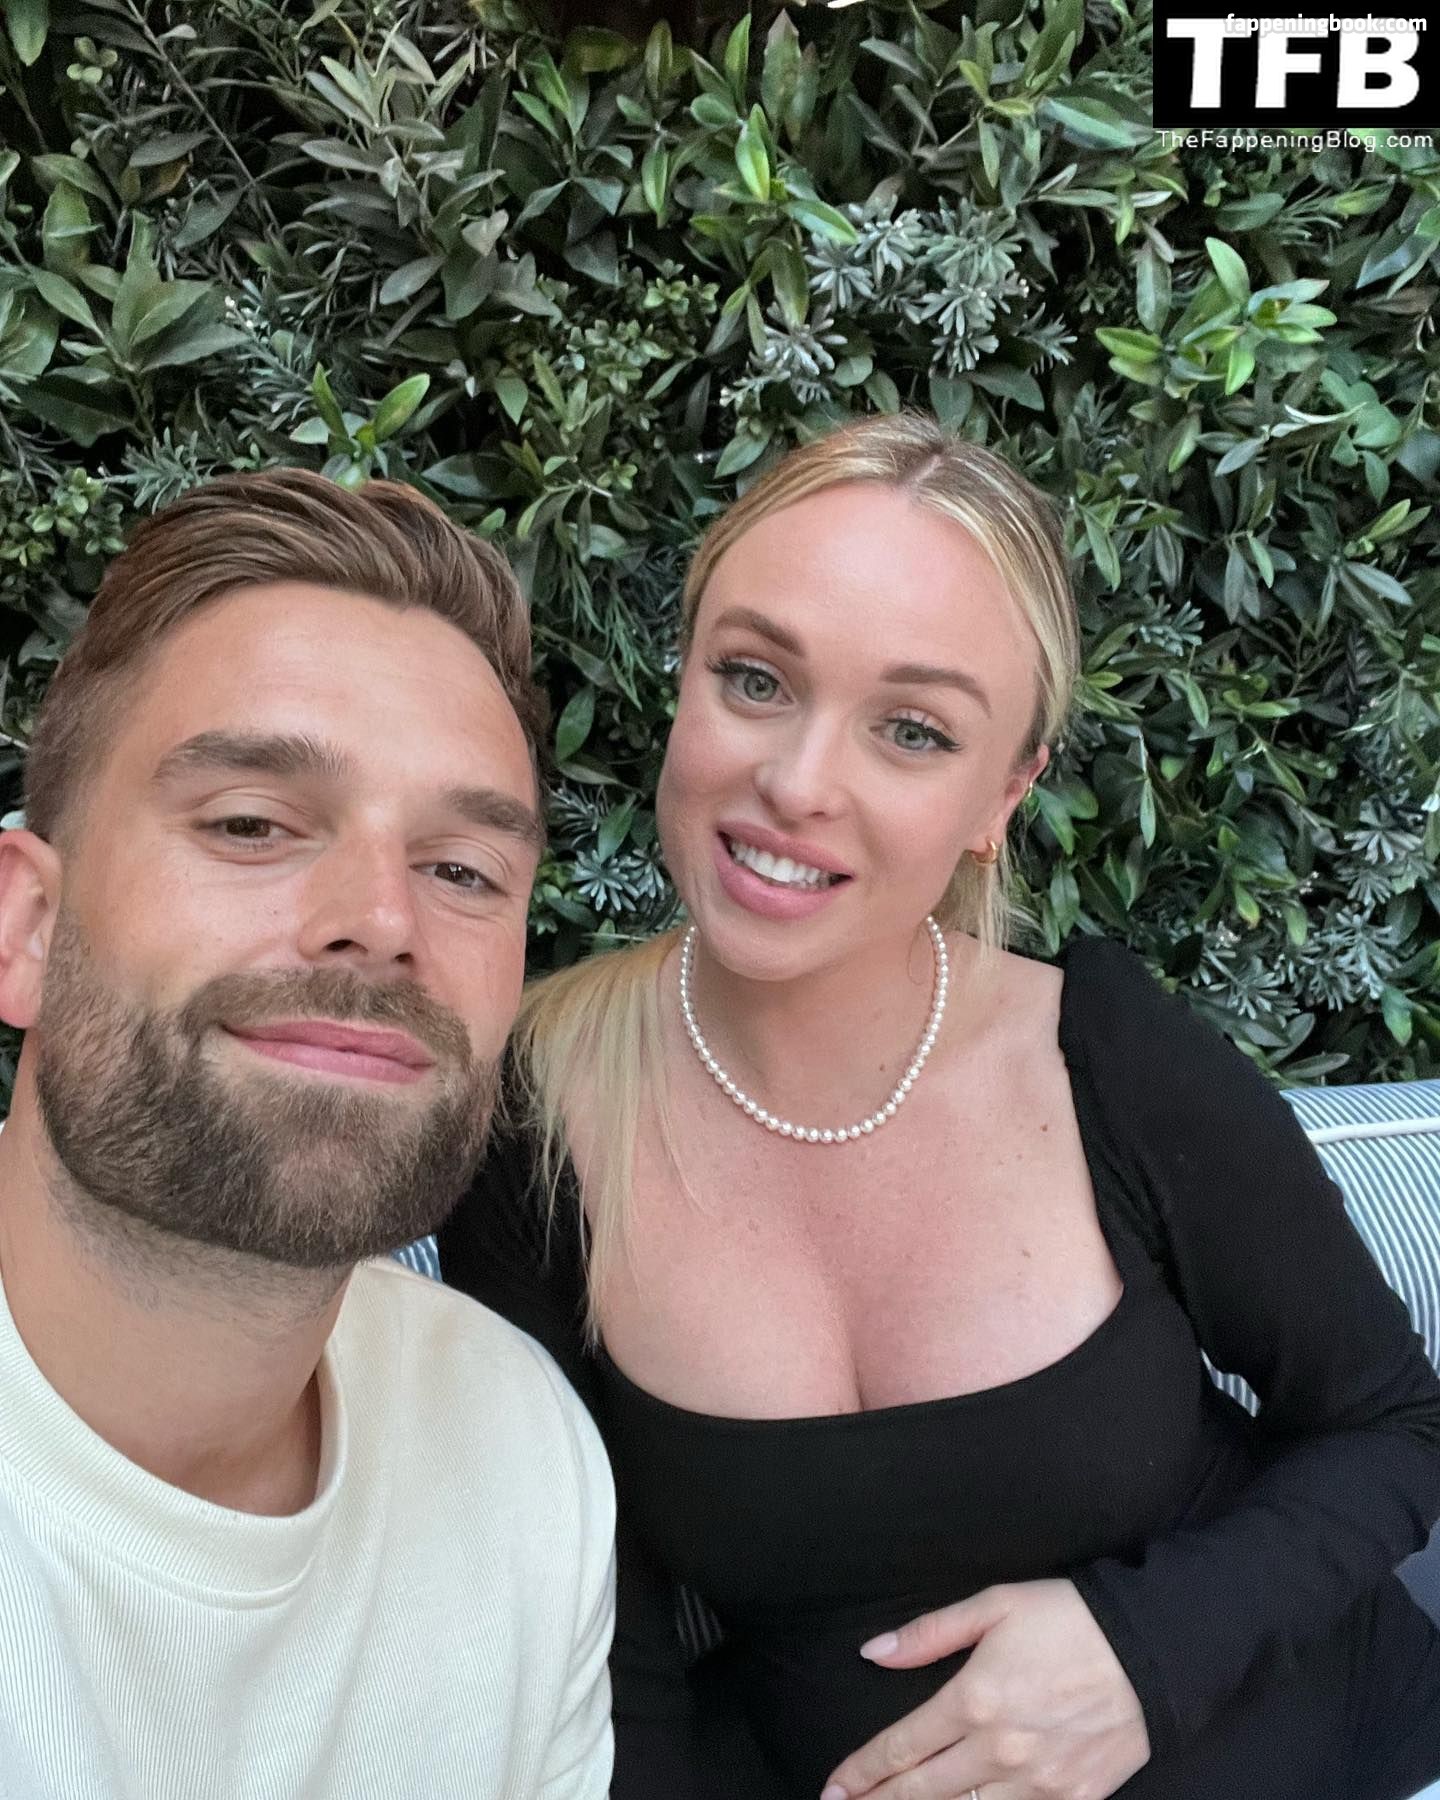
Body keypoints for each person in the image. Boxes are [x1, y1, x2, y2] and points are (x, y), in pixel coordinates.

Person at [438, 412, 1440, 1800]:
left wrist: (1146, 1652)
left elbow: (1394, 1427)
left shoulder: (1102, 1058)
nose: (797, 784)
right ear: (684, 678)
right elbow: (602, 1637)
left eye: (912, 732)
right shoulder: (536, 1125)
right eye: (754, 678)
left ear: (1001, 796)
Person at [0, 471, 615, 1799]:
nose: (382, 920)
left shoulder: (519, 1454)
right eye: (251, 824)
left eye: (462, 871)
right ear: (27, 928)